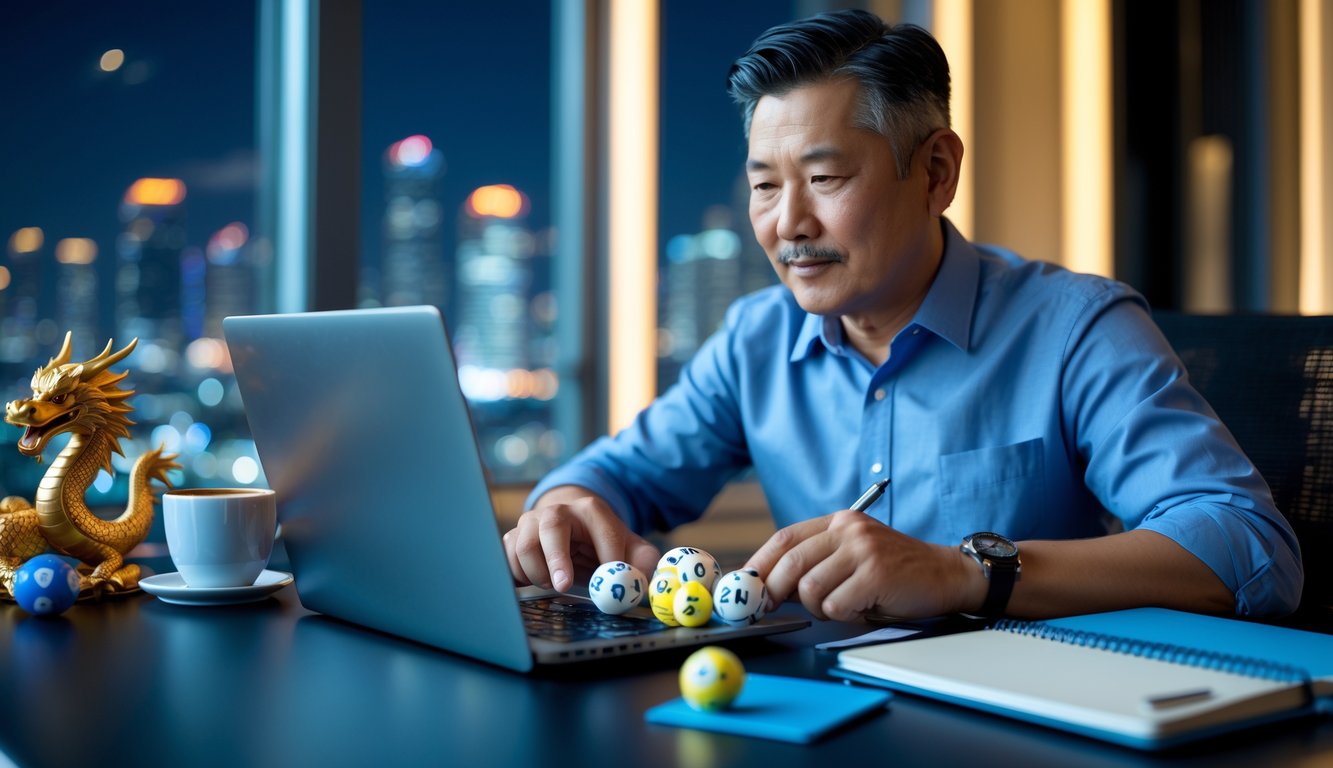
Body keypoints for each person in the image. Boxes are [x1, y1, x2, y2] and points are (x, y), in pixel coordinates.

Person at [503, 9, 1303, 622]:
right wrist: (565, 505)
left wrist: (964, 571)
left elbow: (1249, 548)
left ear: (935, 172)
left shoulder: (1074, 328)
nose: (788, 225)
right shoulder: (755, 338)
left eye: (824, 178)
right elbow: (615, 476)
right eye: (764, 186)